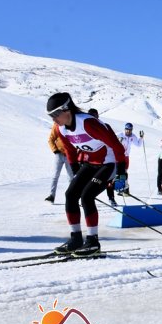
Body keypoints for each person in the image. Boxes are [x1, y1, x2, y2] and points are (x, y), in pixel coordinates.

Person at [45, 92, 126, 256]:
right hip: (91, 163)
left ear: (67, 110)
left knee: (87, 196)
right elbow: (69, 149)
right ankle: (76, 239)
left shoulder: (88, 123)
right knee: (70, 194)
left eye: (55, 114)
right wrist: (76, 171)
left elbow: (117, 147)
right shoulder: (61, 128)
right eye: (50, 116)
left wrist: (121, 174)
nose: (53, 119)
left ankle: (93, 242)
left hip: (108, 163)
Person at [87, 108, 120, 207]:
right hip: (92, 160)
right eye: (91, 116)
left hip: (107, 159)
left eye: (95, 116)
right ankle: (87, 196)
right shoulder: (85, 129)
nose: (93, 118)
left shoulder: (104, 127)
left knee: (108, 181)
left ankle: (111, 198)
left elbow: (114, 142)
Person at [45, 121, 75, 202]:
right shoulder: (57, 125)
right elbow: (51, 139)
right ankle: (52, 195)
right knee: (55, 175)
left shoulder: (72, 125)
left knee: (71, 177)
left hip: (70, 155)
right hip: (59, 154)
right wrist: (55, 150)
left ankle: (72, 197)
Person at [115, 122, 143, 196]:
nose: (128, 131)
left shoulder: (132, 136)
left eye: (130, 130)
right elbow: (112, 139)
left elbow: (138, 145)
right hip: (119, 156)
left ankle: (125, 189)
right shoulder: (120, 134)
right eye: (127, 129)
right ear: (125, 129)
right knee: (119, 173)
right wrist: (118, 140)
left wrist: (141, 137)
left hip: (126, 157)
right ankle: (121, 188)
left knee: (125, 172)